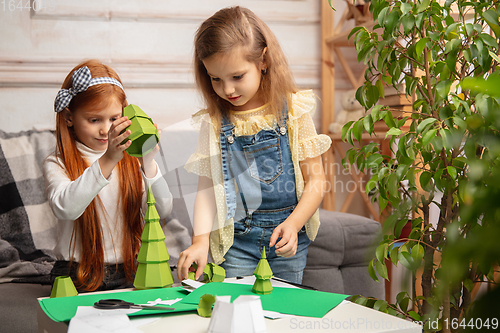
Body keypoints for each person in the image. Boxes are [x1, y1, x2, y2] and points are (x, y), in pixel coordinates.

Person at [177, 6, 332, 284]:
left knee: (282, 313)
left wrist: (294, 224)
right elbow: (207, 189)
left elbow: (317, 181)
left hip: (287, 238)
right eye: (216, 79)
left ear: (263, 61)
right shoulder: (214, 123)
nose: (227, 90)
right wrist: (199, 241)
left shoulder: (294, 109)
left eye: (237, 77)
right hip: (237, 243)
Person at [43, 59, 173, 291]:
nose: (105, 129)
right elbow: (66, 208)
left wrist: (148, 163)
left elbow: (163, 210)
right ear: (69, 117)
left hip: (128, 271)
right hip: (76, 273)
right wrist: (109, 159)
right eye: (94, 120)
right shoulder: (57, 163)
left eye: (113, 118)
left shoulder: (132, 159)